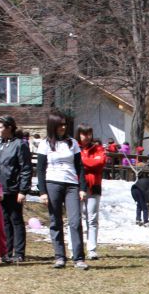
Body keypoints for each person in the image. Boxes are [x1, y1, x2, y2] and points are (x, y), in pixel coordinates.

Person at [37, 111, 88, 270]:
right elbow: (40, 169)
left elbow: (80, 167)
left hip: (71, 185)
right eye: (60, 125)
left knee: (75, 221)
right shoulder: (45, 144)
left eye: (65, 124)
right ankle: (59, 257)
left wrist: (82, 188)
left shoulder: (72, 143)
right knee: (55, 221)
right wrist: (42, 192)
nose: (63, 127)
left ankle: (78, 258)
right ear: (53, 126)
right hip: (52, 183)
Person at [0, 115, 32, 263]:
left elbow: (26, 169)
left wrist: (23, 190)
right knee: (4, 221)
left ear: (9, 128)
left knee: (16, 219)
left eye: (0, 127)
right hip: (0, 189)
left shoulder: (20, 145)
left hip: (14, 189)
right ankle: (6, 252)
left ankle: (19, 253)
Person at [77, 125, 107, 260]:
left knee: (92, 218)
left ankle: (92, 249)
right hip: (77, 186)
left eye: (89, 133)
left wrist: (82, 162)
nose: (87, 137)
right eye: (84, 134)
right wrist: (89, 163)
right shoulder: (74, 147)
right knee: (76, 218)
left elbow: (100, 162)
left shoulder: (98, 148)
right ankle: (76, 248)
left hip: (94, 185)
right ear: (79, 134)